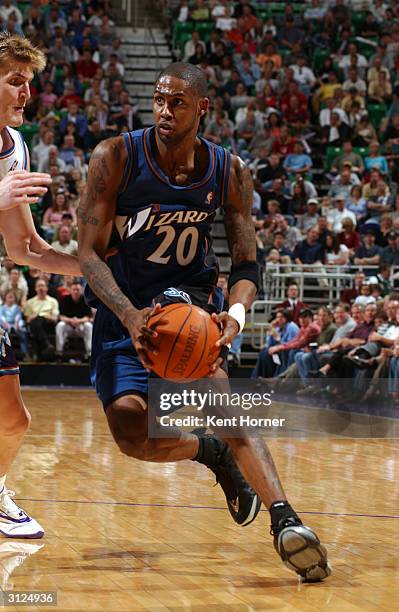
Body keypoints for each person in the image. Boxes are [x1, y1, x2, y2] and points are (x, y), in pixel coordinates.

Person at [78, 62, 330, 581]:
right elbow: (87, 254)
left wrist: (233, 319)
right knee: (129, 429)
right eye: (160, 100)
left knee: (229, 408)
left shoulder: (228, 169)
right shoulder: (116, 156)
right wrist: (127, 315)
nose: (165, 111)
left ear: (203, 109)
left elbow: (246, 264)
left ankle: (287, 522)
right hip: (127, 311)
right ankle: (209, 453)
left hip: (189, 312)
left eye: (178, 103)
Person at [0, 33, 81, 538]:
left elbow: (24, 248)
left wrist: (98, 268)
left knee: (13, 421)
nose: (26, 92)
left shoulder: (15, 148)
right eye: (14, 80)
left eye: (29, 82)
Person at [55, 281, 93, 360]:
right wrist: (71, 320)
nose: (76, 291)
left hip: (81, 326)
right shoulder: (65, 299)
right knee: (60, 325)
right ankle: (59, 352)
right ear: (70, 290)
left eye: (78, 289)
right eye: (74, 289)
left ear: (81, 290)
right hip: (68, 326)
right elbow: (61, 317)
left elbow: (88, 317)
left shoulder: (85, 300)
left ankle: (89, 353)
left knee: (89, 326)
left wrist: (78, 321)